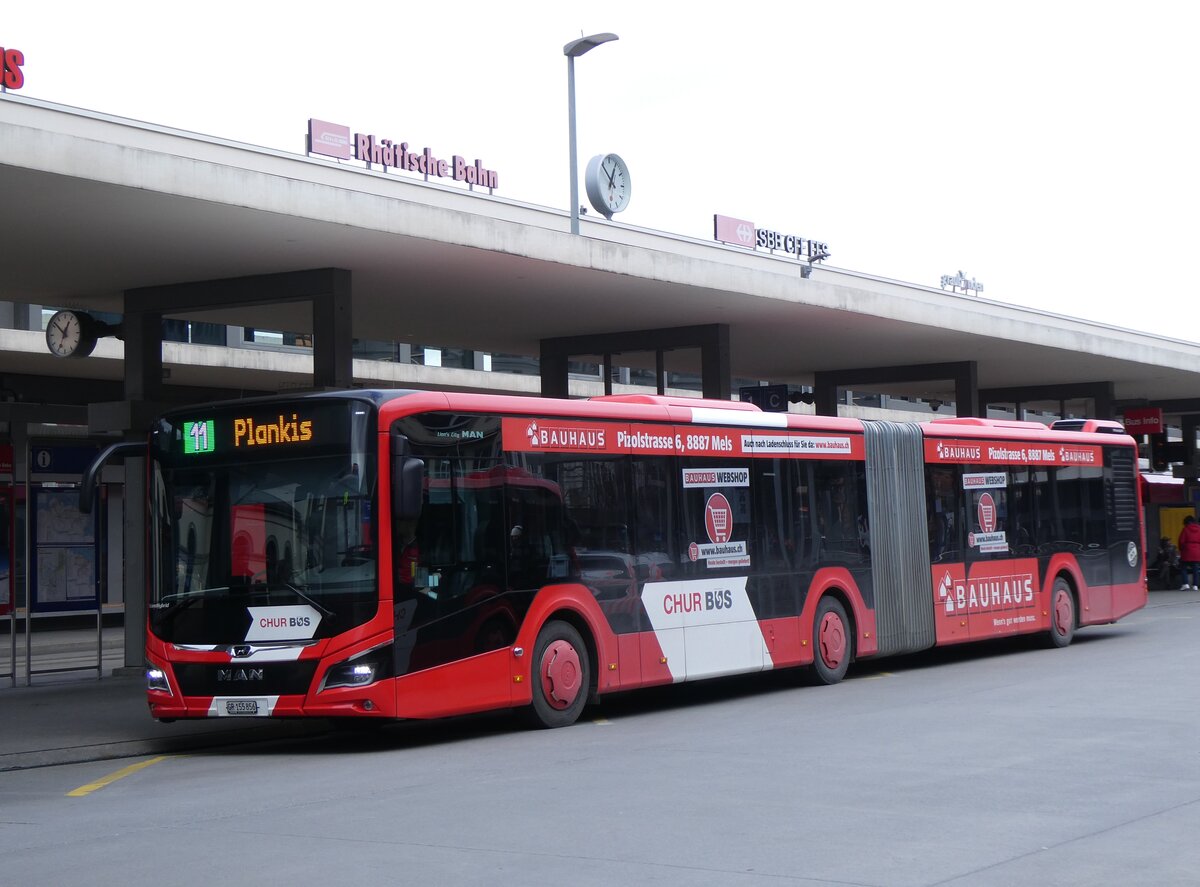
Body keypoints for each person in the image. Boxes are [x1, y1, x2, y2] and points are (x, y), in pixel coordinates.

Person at [1178, 516, 1200, 590]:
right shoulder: (1199, 529)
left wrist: (1181, 549)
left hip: (1187, 550)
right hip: (1197, 551)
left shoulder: (1185, 529)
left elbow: (1181, 541)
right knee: (1195, 569)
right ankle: (1195, 585)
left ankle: (1185, 584)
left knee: (1183, 567)